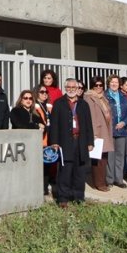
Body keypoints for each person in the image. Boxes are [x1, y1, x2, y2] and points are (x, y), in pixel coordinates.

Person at [48, 78, 94, 207]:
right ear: (65, 88)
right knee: (65, 171)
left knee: (80, 171)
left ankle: (79, 197)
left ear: (78, 89)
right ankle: (63, 199)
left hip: (81, 141)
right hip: (65, 142)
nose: (72, 89)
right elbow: (54, 125)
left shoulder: (84, 104)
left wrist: (90, 142)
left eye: (74, 87)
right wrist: (55, 142)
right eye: (69, 87)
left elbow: (88, 125)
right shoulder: (59, 103)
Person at [85, 76, 114, 192]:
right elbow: (91, 117)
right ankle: (99, 183)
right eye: (95, 85)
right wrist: (94, 134)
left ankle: (102, 181)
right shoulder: (89, 97)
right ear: (92, 86)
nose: (98, 87)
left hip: (105, 130)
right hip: (97, 132)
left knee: (104, 158)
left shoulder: (103, 98)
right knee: (98, 159)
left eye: (100, 85)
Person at [106, 76, 127, 188]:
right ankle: (109, 179)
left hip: (121, 129)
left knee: (120, 155)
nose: (114, 84)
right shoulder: (105, 96)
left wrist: (124, 122)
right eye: (112, 82)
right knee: (110, 156)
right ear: (108, 83)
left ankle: (119, 179)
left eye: (116, 82)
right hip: (110, 129)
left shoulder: (123, 96)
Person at [33, 84, 52, 195]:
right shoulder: (34, 107)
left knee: (47, 166)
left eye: (46, 92)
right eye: (42, 92)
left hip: (49, 140)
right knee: (39, 166)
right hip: (40, 141)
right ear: (36, 93)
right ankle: (38, 189)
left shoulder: (49, 106)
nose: (45, 94)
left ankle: (44, 189)